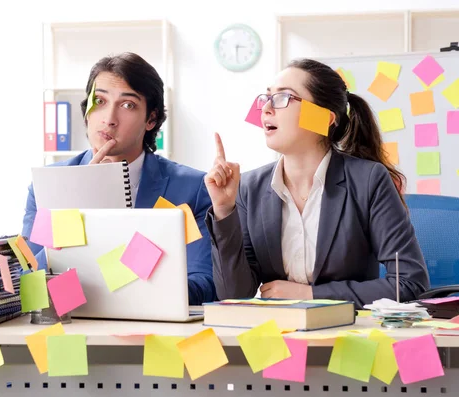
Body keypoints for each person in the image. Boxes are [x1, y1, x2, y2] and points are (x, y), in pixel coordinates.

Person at [204, 58, 430, 308]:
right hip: (278, 336)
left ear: (324, 118)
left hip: (350, 335)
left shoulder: (368, 180)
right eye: (266, 98)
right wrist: (224, 210)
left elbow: (410, 283)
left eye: (283, 98)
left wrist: (312, 295)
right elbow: (234, 295)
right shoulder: (249, 187)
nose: (266, 109)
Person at [22, 52, 216, 305]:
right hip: (74, 332)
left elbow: (205, 286)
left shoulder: (192, 189)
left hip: (156, 334)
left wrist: (124, 278)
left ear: (151, 119)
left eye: (128, 105)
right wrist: (76, 207)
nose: (109, 119)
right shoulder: (47, 186)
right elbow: (29, 285)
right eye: (99, 101)